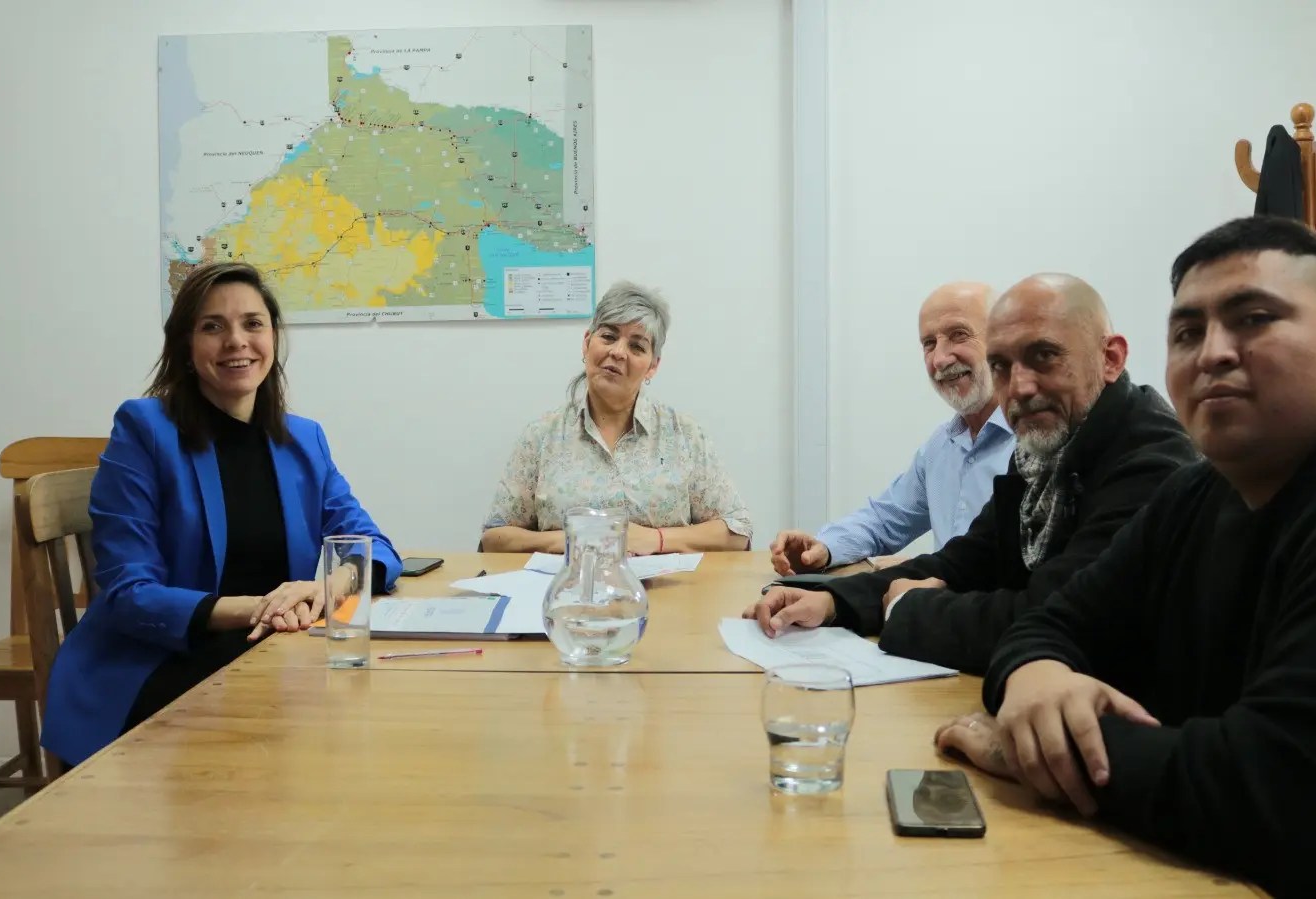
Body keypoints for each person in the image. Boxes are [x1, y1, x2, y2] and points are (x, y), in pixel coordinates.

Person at [937, 217, 1316, 896]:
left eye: (1254, 318)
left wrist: (1037, 746)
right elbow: (1049, 622)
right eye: (1188, 332)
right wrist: (1034, 678)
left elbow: (1275, 793)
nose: (1213, 353)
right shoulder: (1202, 487)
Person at [41, 263, 401, 766]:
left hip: (269, 660)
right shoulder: (144, 431)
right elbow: (130, 595)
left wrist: (324, 590)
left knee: (374, 709)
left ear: (273, 338)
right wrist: (264, 608)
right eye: (213, 326)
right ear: (185, 347)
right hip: (160, 664)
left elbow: (373, 547)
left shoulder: (303, 440)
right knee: (333, 728)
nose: (237, 341)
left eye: (253, 323)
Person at [743, 274, 1196, 673]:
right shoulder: (1045, 447)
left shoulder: (1149, 460)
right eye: (1001, 366)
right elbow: (965, 560)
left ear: (1111, 359)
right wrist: (832, 602)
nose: (1019, 387)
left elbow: (1061, 619)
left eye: (1043, 356)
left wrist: (908, 608)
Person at [481, 280, 751, 554]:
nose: (618, 352)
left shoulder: (683, 435)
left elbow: (737, 532)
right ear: (587, 344)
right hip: (571, 591)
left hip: (669, 593)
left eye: (637, 347)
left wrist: (656, 539)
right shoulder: (541, 436)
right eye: (609, 337)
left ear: (652, 366)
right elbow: (494, 537)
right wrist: (572, 539)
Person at [768, 282, 1014, 575]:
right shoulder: (942, 446)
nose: (940, 359)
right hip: (940, 613)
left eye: (958, 335)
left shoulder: (1037, 445)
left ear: (1003, 341)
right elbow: (885, 519)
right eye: (929, 344)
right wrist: (823, 548)